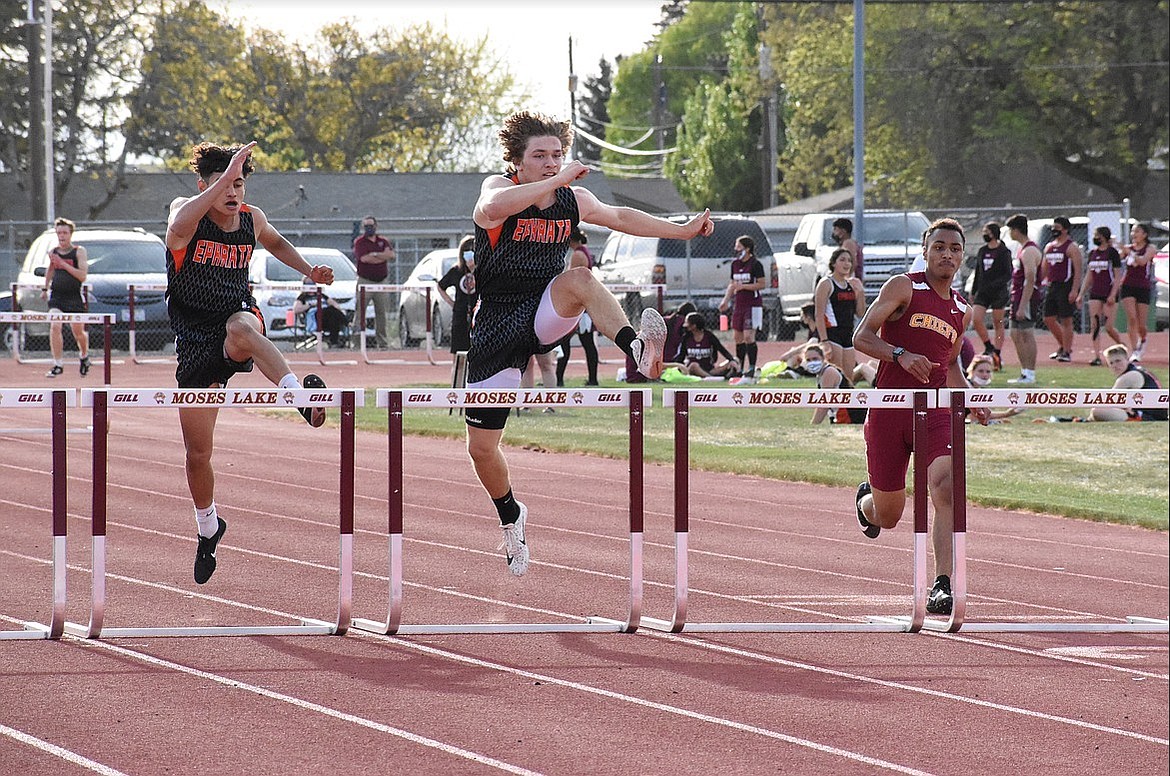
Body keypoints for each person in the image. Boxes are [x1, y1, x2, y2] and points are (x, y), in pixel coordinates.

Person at [467, 111, 714, 576]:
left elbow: (620, 217)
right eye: (539, 156)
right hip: (497, 322)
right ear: (516, 162)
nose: (550, 163)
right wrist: (555, 178)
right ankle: (511, 515)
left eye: (557, 155)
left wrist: (681, 230)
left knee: (579, 277)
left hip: (545, 309)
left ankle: (636, 346)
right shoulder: (497, 189)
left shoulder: (572, 199)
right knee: (481, 448)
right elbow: (491, 212)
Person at [166, 141, 335, 585]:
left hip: (236, 318)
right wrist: (221, 178)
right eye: (225, 183)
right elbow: (178, 225)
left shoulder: (251, 218)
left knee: (244, 328)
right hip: (196, 340)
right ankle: (208, 527)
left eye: (239, 183)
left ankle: (298, 395)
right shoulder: (187, 213)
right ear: (205, 185)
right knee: (197, 453)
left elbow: (275, 241)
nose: (233, 192)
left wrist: (307, 270)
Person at [852, 217, 990, 616]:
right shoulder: (904, 286)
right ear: (926, 250)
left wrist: (971, 399)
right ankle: (866, 503)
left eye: (955, 249)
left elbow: (950, 369)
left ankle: (942, 584)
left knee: (945, 487)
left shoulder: (961, 309)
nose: (947, 254)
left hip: (935, 411)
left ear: (962, 257)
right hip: (890, 409)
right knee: (890, 515)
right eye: (939, 247)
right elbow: (861, 338)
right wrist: (900, 355)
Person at [41, 217, 91, 377]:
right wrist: (45, 287)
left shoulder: (79, 251)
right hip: (57, 297)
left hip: (74, 297)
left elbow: (82, 276)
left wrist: (63, 264)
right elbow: (50, 270)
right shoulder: (54, 252)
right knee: (55, 325)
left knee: (78, 332)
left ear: (70, 234)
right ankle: (58, 364)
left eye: (64, 233)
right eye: (59, 233)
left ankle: (84, 356)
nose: (62, 236)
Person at [555, 229, 601, 386]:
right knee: (587, 344)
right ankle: (592, 379)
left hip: (577, 305)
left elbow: (572, 280)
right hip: (582, 303)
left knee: (565, 342)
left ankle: (559, 379)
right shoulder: (583, 252)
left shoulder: (578, 255)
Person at [718, 235, 766, 383]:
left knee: (748, 336)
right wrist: (725, 300)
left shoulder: (755, 264)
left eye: (739, 247)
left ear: (747, 248)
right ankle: (739, 367)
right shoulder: (735, 264)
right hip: (739, 304)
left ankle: (751, 367)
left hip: (752, 305)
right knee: (737, 337)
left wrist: (744, 286)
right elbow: (732, 284)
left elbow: (762, 284)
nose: (736, 249)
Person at [813, 247, 866, 381]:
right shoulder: (826, 283)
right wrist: (824, 341)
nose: (846, 264)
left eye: (849, 261)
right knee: (836, 375)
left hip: (848, 333)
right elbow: (819, 315)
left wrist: (860, 293)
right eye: (842, 260)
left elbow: (861, 313)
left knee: (848, 379)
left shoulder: (851, 284)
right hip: (832, 334)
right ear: (833, 263)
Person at [1005, 213, 1044, 385]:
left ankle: (1030, 373)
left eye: (1010, 230)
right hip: (1017, 296)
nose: (1009, 234)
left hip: (1025, 298)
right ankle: (1024, 372)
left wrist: (1022, 305)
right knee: (1015, 334)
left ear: (1016, 230)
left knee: (1026, 334)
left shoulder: (1029, 250)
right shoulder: (1021, 249)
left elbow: (1031, 279)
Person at [1076, 225, 1124, 366]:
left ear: (1103, 236)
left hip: (1109, 292)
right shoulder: (1093, 253)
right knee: (1095, 324)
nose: (1095, 238)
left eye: (1097, 235)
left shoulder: (1112, 253)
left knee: (1108, 326)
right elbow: (1089, 276)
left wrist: (1113, 294)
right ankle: (1097, 355)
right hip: (1095, 293)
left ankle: (1122, 346)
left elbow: (1117, 276)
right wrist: (1081, 294)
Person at [968, 221, 1013, 370]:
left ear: (993, 233)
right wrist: (973, 291)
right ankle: (988, 346)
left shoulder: (1003, 252)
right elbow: (978, 272)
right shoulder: (982, 251)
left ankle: (997, 353)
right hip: (983, 292)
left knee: (997, 322)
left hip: (998, 292)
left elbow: (1007, 274)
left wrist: (995, 284)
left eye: (986, 231)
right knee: (976, 319)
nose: (984, 234)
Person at [1086, 344, 1167, 422]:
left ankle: (1134, 419)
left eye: (1118, 361)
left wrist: (1089, 419)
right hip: (1155, 413)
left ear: (1127, 360)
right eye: (1111, 363)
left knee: (1098, 411)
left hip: (1149, 416)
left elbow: (1110, 400)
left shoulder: (1130, 376)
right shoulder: (1138, 371)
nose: (1115, 365)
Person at [1041, 216, 1084, 363]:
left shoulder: (1071, 247)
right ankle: (1063, 345)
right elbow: (1044, 268)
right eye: (1053, 228)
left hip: (1066, 285)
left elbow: (1078, 270)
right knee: (1048, 318)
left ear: (1065, 230)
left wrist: (1074, 290)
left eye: (1058, 228)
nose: (1054, 230)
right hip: (1052, 286)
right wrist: (1039, 281)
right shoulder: (1049, 247)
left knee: (1066, 319)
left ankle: (1066, 351)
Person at [352, 215, 396, 349]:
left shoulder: (383, 241)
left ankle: (382, 343)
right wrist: (381, 256)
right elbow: (364, 259)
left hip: (381, 281)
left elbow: (391, 256)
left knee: (381, 313)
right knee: (360, 312)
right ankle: (357, 343)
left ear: (376, 226)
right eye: (366, 226)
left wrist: (375, 255)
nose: (368, 229)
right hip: (365, 280)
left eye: (371, 226)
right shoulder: (360, 242)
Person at [1118, 223, 1157, 361]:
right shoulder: (1128, 249)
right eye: (1132, 232)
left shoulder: (1150, 248)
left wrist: (1130, 253)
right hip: (1128, 286)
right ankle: (1134, 350)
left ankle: (1143, 339)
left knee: (1141, 324)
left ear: (1145, 234)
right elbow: (1117, 259)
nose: (1134, 234)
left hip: (1143, 287)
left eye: (1137, 231)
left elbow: (1142, 261)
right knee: (1132, 318)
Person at [806, 343, 868, 425]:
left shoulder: (829, 372)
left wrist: (813, 425)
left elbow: (824, 403)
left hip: (850, 416)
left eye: (815, 359)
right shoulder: (821, 374)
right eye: (808, 360)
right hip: (841, 416)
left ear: (823, 358)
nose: (812, 363)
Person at [665, 311, 740, 378]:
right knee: (694, 365)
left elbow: (722, 349)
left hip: (709, 369)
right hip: (692, 369)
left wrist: (732, 360)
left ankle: (710, 376)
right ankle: (711, 379)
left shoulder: (709, 336)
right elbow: (681, 356)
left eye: (687, 323)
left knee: (735, 361)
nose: (685, 325)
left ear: (694, 325)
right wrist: (678, 367)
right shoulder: (686, 337)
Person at [437, 235, 477, 354]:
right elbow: (441, 286)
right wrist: (451, 303)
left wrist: (474, 270)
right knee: (459, 350)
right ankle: (457, 372)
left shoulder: (482, 271)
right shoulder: (456, 271)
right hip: (461, 313)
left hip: (478, 313)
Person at [292, 283, 348, 347]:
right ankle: (346, 322)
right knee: (330, 311)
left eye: (312, 284)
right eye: (308, 284)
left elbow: (335, 305)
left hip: (327, 318)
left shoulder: (321, 295)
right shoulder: (303, 297)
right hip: (315, 317)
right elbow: (296, 310)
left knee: (333, 316)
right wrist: (309, 305)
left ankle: (334, 342)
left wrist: (336, 307)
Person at [831, 217, 864, 284]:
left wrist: (845, 280)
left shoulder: (848, 243)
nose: (834, 233)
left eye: (835, 229)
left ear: (843, 231)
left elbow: (853, 263)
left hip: (851, 281)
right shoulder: (847, 243)